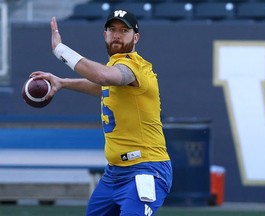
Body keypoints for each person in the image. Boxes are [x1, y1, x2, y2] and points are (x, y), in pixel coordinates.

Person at [31, 9, 172, 216]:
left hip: (146, 168)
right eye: (112, 29)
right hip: (114, 174)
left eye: (124, 30)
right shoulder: (114, 67)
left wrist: (61, 50)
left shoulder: (135, 66)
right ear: (104, 34)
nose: (117, 34)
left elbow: (103, 77)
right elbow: (103, 86)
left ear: (136, 37)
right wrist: (63, 83)